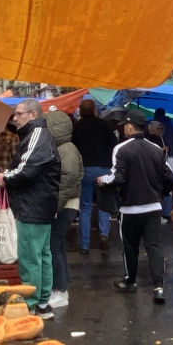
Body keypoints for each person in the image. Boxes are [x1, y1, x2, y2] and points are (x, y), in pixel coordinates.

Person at [0, 102, 61, 314]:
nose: (15, 118)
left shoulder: (37, 135)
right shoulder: (40, 135)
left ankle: (32, 305)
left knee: (30, 257)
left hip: (32, 205)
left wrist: (4, 177)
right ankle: (42, 303)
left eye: (18, 114)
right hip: (41, 205)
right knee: (42, 256)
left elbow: (26, 169)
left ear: (33, 114)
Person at [102, 114, 171, 300]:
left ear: (131, 127)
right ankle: (158, 287)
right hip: (153, 207)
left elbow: (117, 176)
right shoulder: (156, 148)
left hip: (129, 209)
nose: (124, 128)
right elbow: (168, 175)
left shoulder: (121, 149)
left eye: (125, 126)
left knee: (130, 247)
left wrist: (102, 181)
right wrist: (160, 193)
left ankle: (130, 281)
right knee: (154, 247)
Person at [45, 108, 82, 308]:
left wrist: (55, 208)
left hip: (64, 206)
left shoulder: (66, 150)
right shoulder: (65, 148)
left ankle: (60, 291)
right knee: (57, 246)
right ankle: (61, 285)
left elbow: (67, 182)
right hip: (65, 204)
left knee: (54, 246)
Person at [73, 101, 117, 253]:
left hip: (84, 168)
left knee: (85, 207)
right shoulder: (104, 125)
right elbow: (114, 145)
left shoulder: (76, 127)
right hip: (102, 169)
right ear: (94, 110)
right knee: (103, 204)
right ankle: (104, 235)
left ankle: (85, 245)